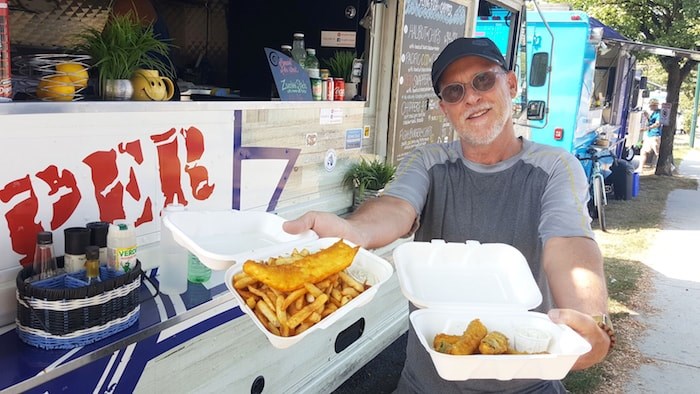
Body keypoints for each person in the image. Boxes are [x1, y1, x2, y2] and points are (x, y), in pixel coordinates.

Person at [283, 37, 613, 393]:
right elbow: (396, 207)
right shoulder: (427, 161)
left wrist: (589, 317)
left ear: (512, 84)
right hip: (427, 384)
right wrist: (353, 231)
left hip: (527, 384)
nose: (471, 97)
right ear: (445, 109)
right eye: (454, 92)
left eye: (483, 80)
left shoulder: (554, 167)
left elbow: (569, 245)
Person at [637, 98, 662, 172]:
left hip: (655, 135)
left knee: (657, 152)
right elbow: (651, 122)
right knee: (643, 151)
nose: (649, 107)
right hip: (649, 134)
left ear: (654, 105)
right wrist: (647, 116)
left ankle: (661, 167)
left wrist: (647, 128)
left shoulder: (658, 113)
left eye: (651, 105)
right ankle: (640, 168)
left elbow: (657, 124)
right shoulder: (653, 113)